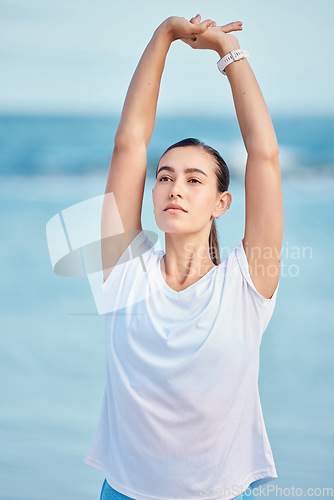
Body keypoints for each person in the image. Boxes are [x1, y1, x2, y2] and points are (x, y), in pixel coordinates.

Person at [83, 14, 283, 500]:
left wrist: (227, 52)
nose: (175, 187)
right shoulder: (122, 273)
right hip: (124, 492)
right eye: (166, 176)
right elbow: (129, 145)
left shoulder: (246, 284)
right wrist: (163, 36)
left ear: (221, 203)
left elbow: (264, 156)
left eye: (195, 179)